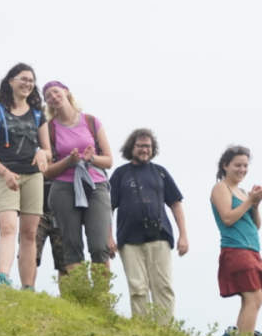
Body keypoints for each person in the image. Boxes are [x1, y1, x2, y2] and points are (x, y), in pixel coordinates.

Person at [0, 63, 50, 289]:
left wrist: (42, 153)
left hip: (33, 177)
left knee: (29, 232)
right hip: (4, 175)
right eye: (23, 79)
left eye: (31, 80)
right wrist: (5, 172)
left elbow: (48, 149)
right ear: (10, 81)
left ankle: (28, 287)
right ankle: (3, 277)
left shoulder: (38, 114)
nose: (27, 83)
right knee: (8, 227)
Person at [108, 128, 189, 322]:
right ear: (131, 148)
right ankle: (142, 328)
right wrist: (108, 236)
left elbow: (176, 203)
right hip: (129, 239)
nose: (144, 150)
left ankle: (165, 330)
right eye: (140, 146)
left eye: (148, 146)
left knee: (163, 286)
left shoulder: (160, 173)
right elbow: (107, 207)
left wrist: (183, 235)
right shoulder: (120, 174)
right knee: (138, 287)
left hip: (160, 236)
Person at [40, 81, 114, 273]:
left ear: (66, 92)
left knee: (99, 247)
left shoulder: (91, 121)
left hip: (95, 185)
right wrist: (68, 161)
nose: (53, 97)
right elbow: (46, 171)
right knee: (71, 246)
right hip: (64, 188)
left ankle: (99, 299)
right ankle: (79, 296)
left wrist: (92, 158)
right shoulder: (48, 128)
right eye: (48, 96)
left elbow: (108, 160)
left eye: (55, 92)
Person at [210, 145, 262, 336]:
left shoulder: (243, 191)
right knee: (254, 298)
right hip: (236, 249)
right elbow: (227, 218)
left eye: (245, 165)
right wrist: (249, 201)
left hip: (252, 249)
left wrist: (255, 204)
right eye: (237, 165)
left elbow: (256, 225)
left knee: (251, 300)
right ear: (225, 165)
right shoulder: (221, 188)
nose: (242, 169)